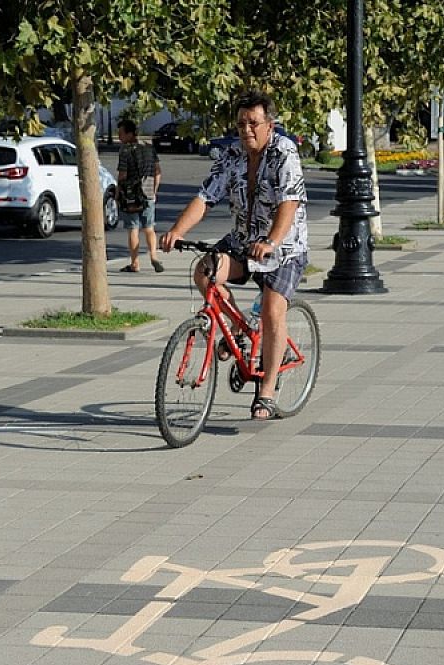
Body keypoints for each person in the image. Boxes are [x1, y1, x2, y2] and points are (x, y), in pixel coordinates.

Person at [159, 90, 309, 421]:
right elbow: (205, 197)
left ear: (270, 124)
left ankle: (267, 390)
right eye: (241, 124)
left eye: (253, 123)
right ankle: (239, 330)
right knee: (204, 272)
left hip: (284, 247)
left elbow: (289, 203)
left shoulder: (285, 154)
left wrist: (271, 240)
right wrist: (177, 230)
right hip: (243, 240)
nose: (246, 130)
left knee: (272, 309)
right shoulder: (231, 155)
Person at [116, 119, 163, 273]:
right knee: (149, 228)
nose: (119, 136)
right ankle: (154, 257)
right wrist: (154, 191)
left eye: (121, 133)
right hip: (148, 193)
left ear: (129, 133)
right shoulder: (149, 147)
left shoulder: (125, 150)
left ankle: (135, 263)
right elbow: (157, 171)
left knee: (133, 229)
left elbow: (122, 174)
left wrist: (118, 193)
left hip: (131, 195)